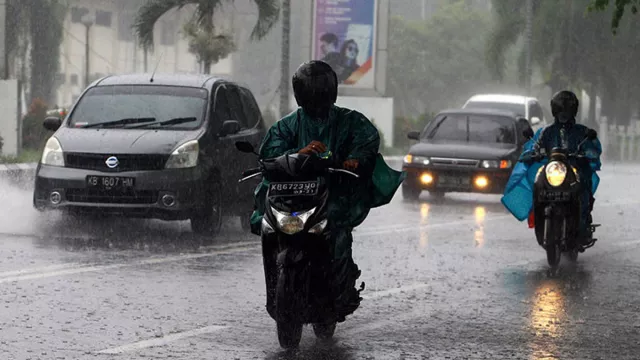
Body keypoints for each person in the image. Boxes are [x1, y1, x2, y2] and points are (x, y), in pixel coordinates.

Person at [250, 60, 405, 321]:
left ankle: (340, 290)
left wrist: (354, 159)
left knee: (337, 233)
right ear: (300, 95)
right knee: (267, 223)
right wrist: (297, 154)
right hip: (290, 195)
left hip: (331, 193)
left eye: (320, 92)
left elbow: (366, 140)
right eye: (310, 93)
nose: (316, 98)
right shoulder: (287, 126)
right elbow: (271, 153)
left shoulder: (349, 121)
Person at [502, 90, 602, 245]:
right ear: (554, 110)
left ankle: (583, 223)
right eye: (560, 108)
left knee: (583, 186)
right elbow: (535, 147)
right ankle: (538, 215)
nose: (564, 113)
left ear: (573, 110)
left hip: (574, 170)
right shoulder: (546, 131)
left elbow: (593, 148)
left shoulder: (582, 132)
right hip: (553, 169)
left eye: (567, 109)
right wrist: (532, 153)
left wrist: (587, 153)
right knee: (538, 183)